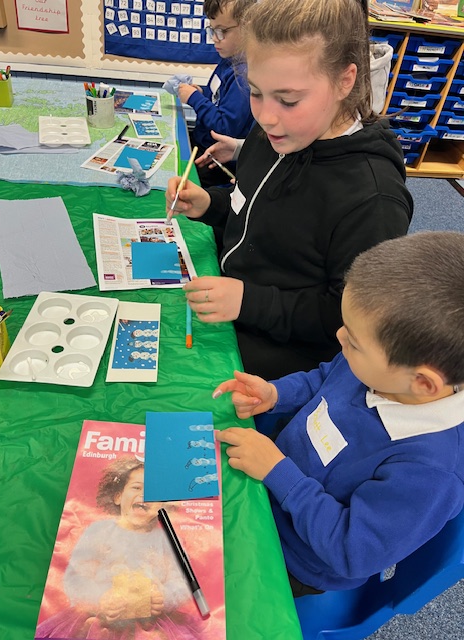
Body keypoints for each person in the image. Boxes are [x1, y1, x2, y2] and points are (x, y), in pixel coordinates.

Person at [166, 0, 413, 381]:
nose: (266, 116)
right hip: (231, 300)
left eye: (289, 100)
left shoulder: (373, 199)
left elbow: (346, 319)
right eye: (255, 92)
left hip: (283, 362)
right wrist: (210, 204)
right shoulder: (277, 131)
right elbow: (254, 204)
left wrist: (249, 302)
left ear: (344, 81)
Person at [213, 231, 464, 596]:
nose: (339, 337)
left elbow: (351, 552)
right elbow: (325, 377)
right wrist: (276, 394)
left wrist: (279, 473)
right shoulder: (380, 371)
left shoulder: (430, 473)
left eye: (354, 342)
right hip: (270, 481)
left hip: (295, 557)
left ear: (423, 383)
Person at [36, 458, 205, 639]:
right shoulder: (99, 531)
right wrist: (100, 599)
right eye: (136, 487)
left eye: (154, 492)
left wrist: (164, 597)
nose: (145, 495)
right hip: (99, 617)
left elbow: (183, 580)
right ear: (118, 496)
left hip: (151, 623)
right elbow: (76, 577)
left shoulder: (167, 539)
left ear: (164, 505)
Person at [178, 0, 256, 187]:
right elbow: (217, 100)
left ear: (247, 27)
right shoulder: (228, 60)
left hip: (217, 162)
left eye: (222, 31)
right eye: (212, 30)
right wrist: (201, 93)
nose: (214, 38)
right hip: (203, 145)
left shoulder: (242, 75)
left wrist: (195, 99)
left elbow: (224, 129)